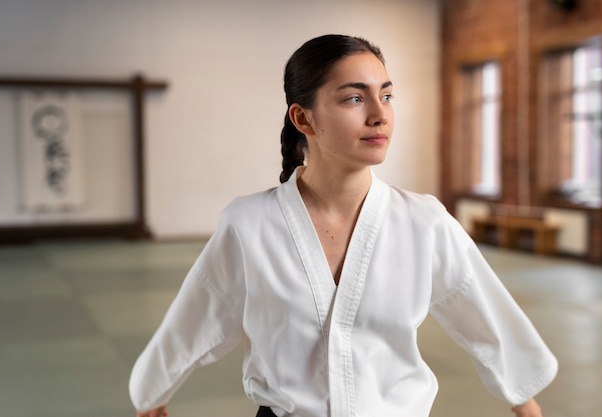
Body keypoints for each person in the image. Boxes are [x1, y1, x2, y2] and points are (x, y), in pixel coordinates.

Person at [129, 34, 558, 417]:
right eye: (354, 98)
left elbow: (482, 312)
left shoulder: (423, 222)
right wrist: (153, 392)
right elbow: (200, 313)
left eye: (386, 96)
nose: (379, 115)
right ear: (303, 119)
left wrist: (525, 402)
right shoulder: (249, 224)